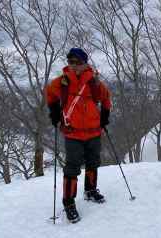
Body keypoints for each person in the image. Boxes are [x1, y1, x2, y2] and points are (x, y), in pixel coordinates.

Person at [45, 48, 111, 223]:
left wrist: (104, 116)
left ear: (85, 63)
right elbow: (50, 94)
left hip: (94, 131)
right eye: (70, 62)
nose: (73, 66)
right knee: (72, 167)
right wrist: (54, 113)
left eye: (77, 62)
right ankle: (68, 202)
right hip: (73, 132)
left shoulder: (93, 82)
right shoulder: (62, 82)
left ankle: (90, 190)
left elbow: (106, 97)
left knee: (93, 162)